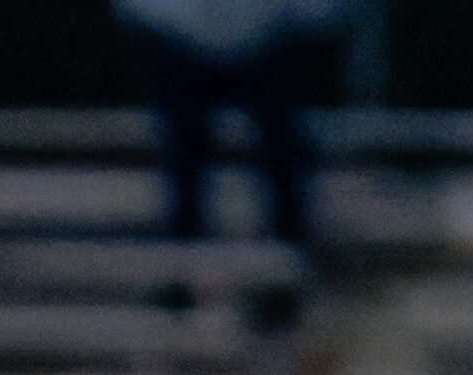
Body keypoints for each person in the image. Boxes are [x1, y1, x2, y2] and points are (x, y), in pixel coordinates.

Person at [112, 0, 349, 248]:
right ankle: (181, 254)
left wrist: (306, 21)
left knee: (285, 151)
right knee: (183, 155)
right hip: (183, 40)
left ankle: (292, 247)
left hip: (268, 41)